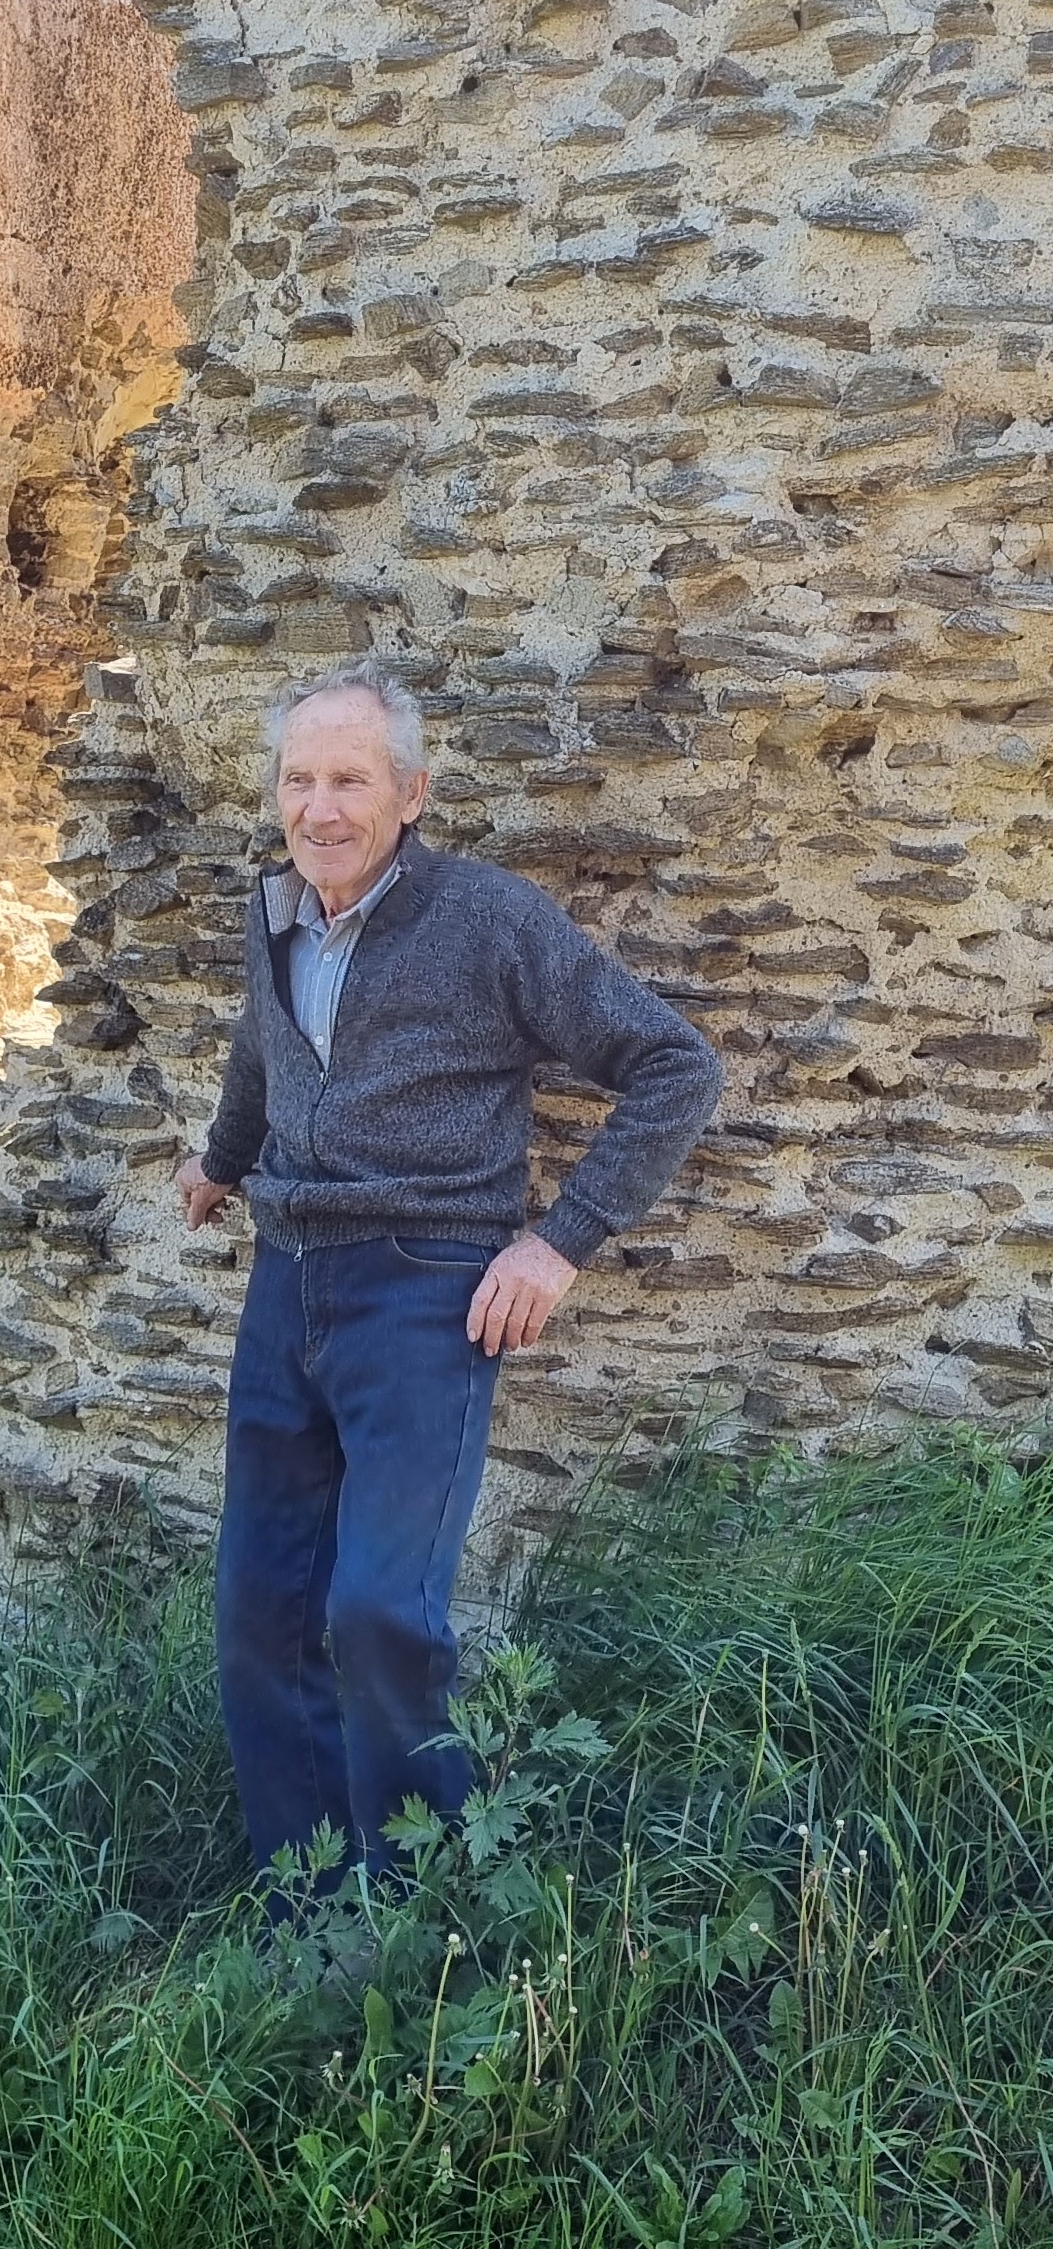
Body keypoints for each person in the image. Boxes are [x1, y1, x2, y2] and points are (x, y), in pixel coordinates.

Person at [175, 666, 722, 1882]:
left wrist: (557, 1242)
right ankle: (309, 1912)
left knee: (378, 1612)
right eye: (300, 779)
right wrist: (220, 1162)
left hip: (424, 1293)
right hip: (286, 1285)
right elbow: (261, 1059)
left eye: (351, 780)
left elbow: (673, 1067)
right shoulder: (274, 911)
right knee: (258, 1616)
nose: (321, 807)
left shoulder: (487, 921)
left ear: (410, 794)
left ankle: (422, 1913)